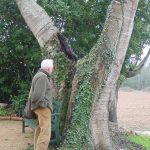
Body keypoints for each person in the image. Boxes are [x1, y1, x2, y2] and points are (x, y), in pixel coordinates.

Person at [30, 59, 54, 150]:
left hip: (39, 109)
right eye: (52, 67)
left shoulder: (39, 75)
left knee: (39, 131)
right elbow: (36, 96)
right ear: (49, 68)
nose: (53, 69)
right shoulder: (42, 77)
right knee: (45, 133)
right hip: (43, 110)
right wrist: (45, 105)